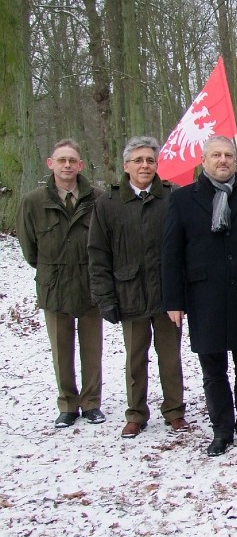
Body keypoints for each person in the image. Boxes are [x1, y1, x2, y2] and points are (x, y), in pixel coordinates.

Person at [161, 135, 237, 456]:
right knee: (213, 370)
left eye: (229, 155)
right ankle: (222, 428)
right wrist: (173, 300)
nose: (223, 160)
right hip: (205, 299)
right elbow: (171, 254)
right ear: (204, 161)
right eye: (216, 155)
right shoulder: (184, 200)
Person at [87, 136, 188, 439]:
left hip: (167, 294)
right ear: (126, 165)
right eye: (139, 160)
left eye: (150, 160)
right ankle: (136, 413)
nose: (145, 166)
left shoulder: (172, 197)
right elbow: (98, 253)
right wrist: (105, 297)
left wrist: (183, 293)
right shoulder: (108, 203)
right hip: (128, 293)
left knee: (170, 357)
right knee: (134, 358)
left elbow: (187, 246)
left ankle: (174, 411)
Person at [17, 139, 105, 429]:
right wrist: (50, 269)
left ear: (80, 165)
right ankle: (68, 404)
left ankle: (92, 402)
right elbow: (30, 249)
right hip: (54, 285)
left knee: (92, 348)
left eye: (72, 160)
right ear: (50, 163)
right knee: (61, 348)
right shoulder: (33, 202)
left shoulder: (98, 199)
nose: (67, 165)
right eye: (61, 160)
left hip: (90, 283)